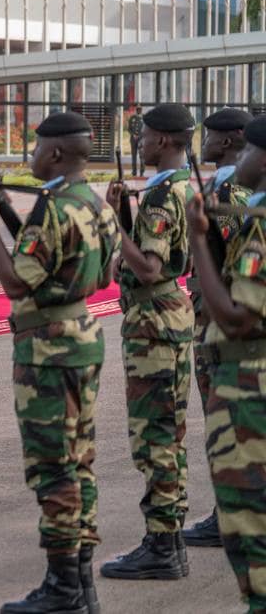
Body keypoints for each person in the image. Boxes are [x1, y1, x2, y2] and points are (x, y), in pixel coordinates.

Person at [0, 111, 120, 614]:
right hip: (83, 336)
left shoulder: (52, 209)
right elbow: (100, 275)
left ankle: (63, 588)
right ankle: (81, 583)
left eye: (36, 148)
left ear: (56, 153)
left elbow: (17, 282)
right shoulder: (95, 203)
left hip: (48, 348)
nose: (31, 156)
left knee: (52, 467)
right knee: (78, 459)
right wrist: (14, 218)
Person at [101, 103, 196, 580]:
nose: (139, 143)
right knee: (168, 432)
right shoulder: (183, 187)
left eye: (144, 136)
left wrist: (112, 221)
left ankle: (162, 545)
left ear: (162, 140)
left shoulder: (160, 197)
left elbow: (149, 267)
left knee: (153, 435)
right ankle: (170, 540)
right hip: (169, 317)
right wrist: (125, 211)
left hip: (153, 322)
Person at [185, 117, 266, 613]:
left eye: (249, 151)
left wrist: (198, 241)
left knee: (251, 531)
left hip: (250, 387)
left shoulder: (260, 227)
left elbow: (238, 319)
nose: (242, 161)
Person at [184, 107, 251, 550]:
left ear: (226, 141)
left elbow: (228, 253)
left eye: (208, 135)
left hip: (219, 318)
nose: (203, 143)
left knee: (222, 422)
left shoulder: (227, 189)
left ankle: (227, 513)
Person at [128, 111, 145, 178]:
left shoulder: (144, 117)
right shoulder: (132, 118)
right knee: (133, 156)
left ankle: (142, 172)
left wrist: (140, 135)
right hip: (133, 139)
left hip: (141, 139)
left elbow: (146, 129)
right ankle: (134, 172)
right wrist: (133, 134)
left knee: (142, 156)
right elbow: (129, 129)